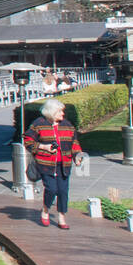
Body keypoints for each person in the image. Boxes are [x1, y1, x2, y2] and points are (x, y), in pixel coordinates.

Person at [24, 98, 83, 229]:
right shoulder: (39, 124)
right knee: (51, 189)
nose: (63, 114)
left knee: (63, 191)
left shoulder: (67, 125)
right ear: (51, 112)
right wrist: (43, 147)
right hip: (46, 163)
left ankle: (62, 217)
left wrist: (77, 155)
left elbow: (74, 143)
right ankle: (45, 210)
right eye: (60, 112)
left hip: (64, 164)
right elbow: (28, 141)